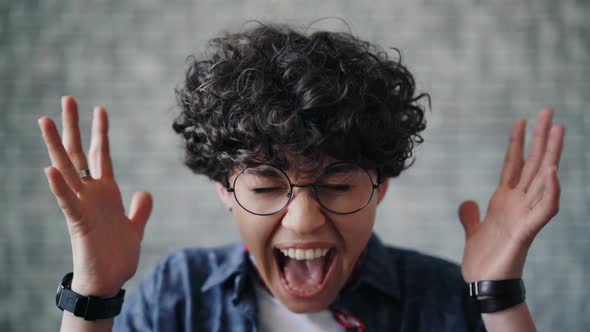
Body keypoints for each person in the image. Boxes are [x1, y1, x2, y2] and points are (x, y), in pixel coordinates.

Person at [39, 23, 564, 331]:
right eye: (266, 186)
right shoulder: (177, 296)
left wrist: (499, 298)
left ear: (379, 185)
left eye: (337, 184)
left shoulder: (446, 298)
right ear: (225, 189)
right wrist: (93, 296)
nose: (305, 220)